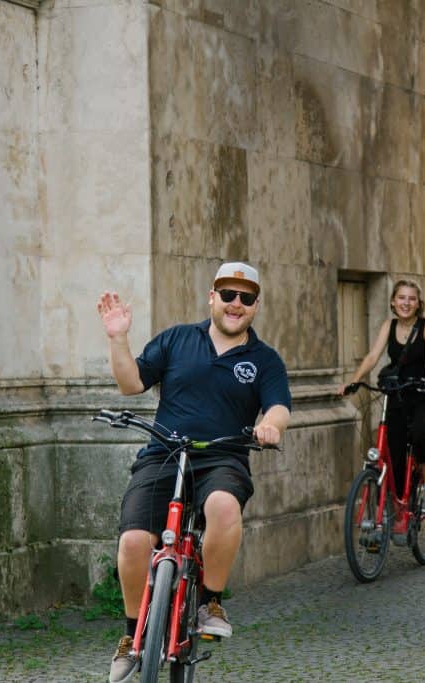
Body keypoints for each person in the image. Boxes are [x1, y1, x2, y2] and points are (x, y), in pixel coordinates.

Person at [97, 262, 291, 683]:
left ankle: (211, 602)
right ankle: (132, 637)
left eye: (246, 297)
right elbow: (131, 383)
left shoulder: (264, 360)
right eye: (228, 294)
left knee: (223, 508)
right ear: (212, 297)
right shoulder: (177, 339)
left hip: (223, 457)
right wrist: (118, 338)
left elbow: (278, 405)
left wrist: (272, 426)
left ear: (256, 306)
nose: (236, 303)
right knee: (133, 542)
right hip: (164, 454)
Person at [337, 280, 425, 539]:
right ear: (393, 302)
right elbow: (373, 356)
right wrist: (353, 380)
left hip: (421, 392)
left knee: (419, 431)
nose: (406, 303)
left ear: (418, 303)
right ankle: (398, 510)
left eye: (411, 299)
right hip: (396, 392)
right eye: (401, 298)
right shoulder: (389, 325)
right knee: (392, 450)